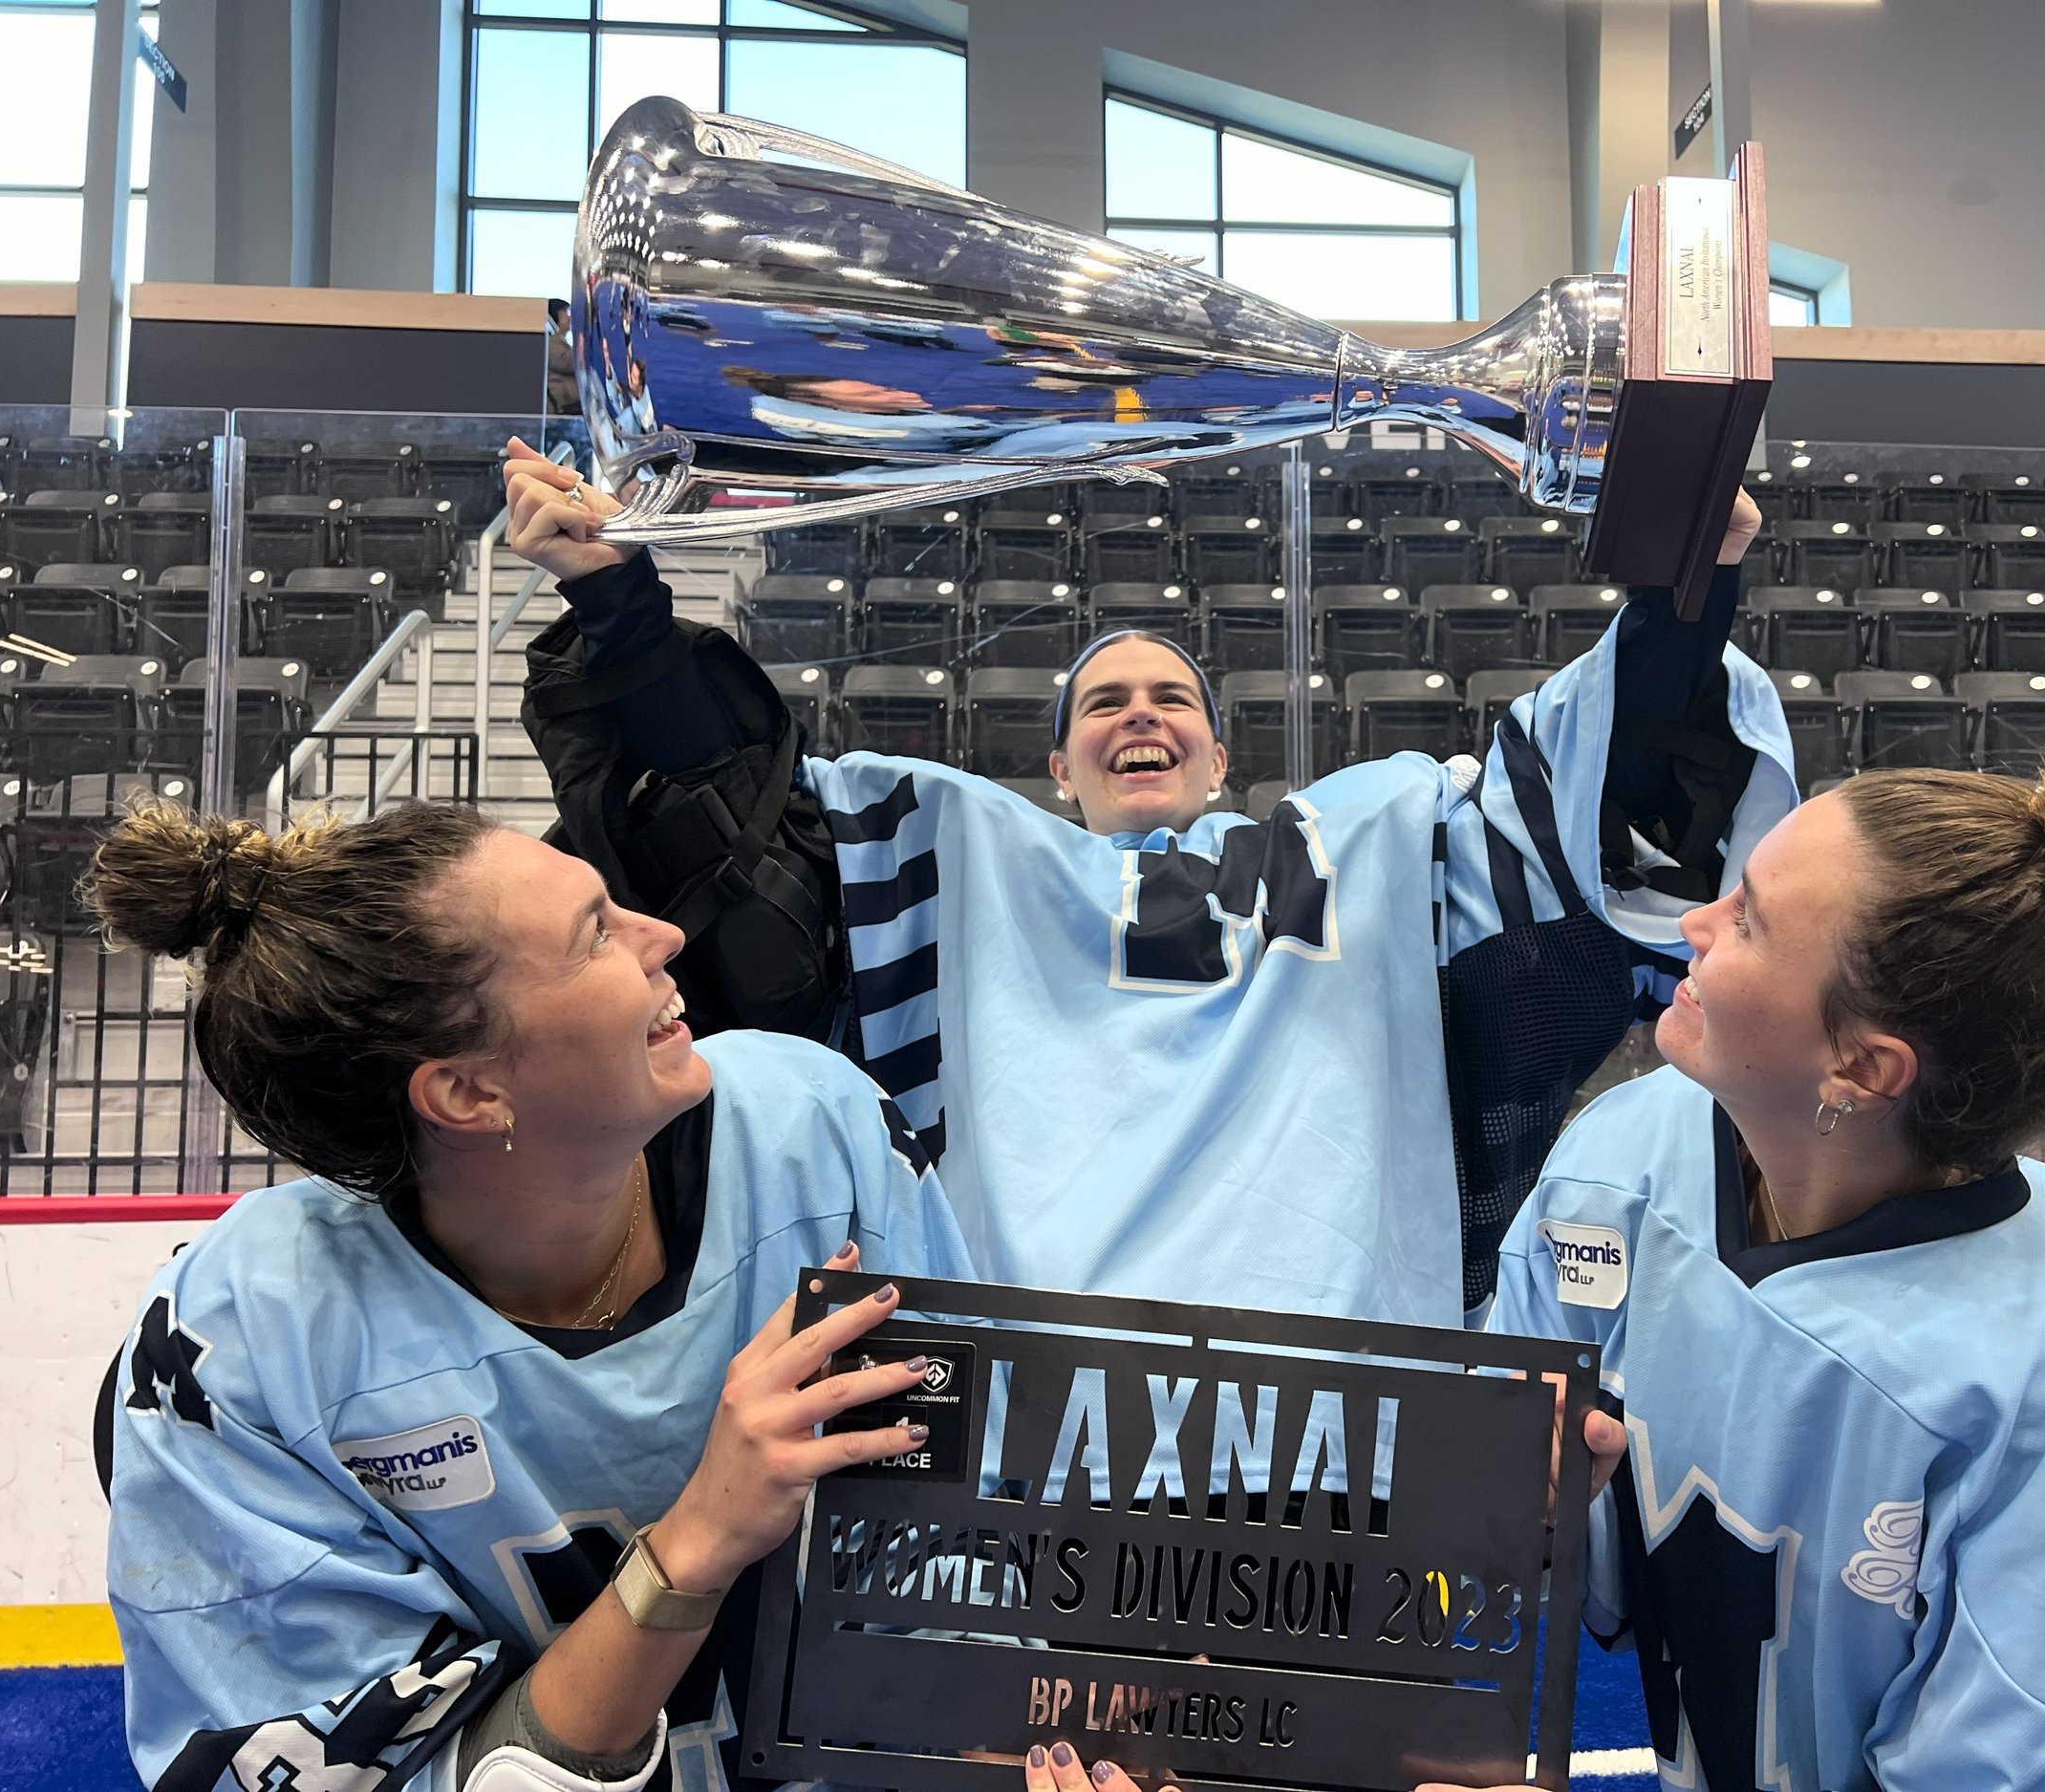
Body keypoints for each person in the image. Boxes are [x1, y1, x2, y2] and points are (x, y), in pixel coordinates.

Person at [508, 440, 1793, 1326]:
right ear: (1056, 764)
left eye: (1171, 695)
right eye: (1104, 703)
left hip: (1331, 1424)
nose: (1141, 715)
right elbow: (741, 861)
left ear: (1223, 755)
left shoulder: (1366, 836)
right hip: (1033, 1426)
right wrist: (621, 605)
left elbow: (1589, 824)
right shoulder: (958, 852)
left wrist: (1691, 590)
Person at [93, 800, 976, 1791]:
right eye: (595, 933)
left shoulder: (818, 1124)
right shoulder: (246, 1338)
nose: (664, 936)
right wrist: (695, 1544)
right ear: (467, 1093)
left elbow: (984, 1538)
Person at [1474, 724, 2045, 1791]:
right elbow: (1537, 1536)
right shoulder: (1625, 1156)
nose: (1696, 923)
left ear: (1860, 1067)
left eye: (1749, 921)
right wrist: (1523, 1508)